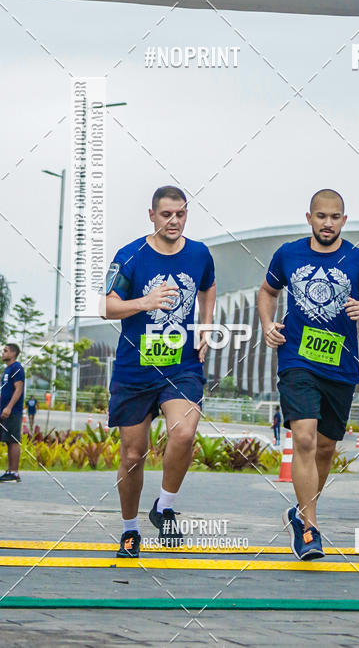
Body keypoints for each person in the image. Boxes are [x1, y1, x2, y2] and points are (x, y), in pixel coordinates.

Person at [258, 189, 359, 561]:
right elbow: (267, 291)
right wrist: (267, 323)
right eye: (321, 216)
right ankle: (309, 526)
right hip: (296, 361)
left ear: (344, 221)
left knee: (324, 447)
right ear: (309, 218)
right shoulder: (288, 254)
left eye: (335, 217)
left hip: (340, 367)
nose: (327, 223)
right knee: (303, 438)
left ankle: (301, 512)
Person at [103, 185, 216, 558]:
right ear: (152, 215)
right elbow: (106, 306)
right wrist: (145, 301)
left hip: (181, 366)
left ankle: (164, 506)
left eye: (180, 214)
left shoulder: (199, 254)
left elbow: (208, 287)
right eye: (166, 214)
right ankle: (130, 529)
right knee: (133, 454)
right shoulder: (131, 255)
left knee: (183, 432)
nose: (174, 221)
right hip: (135, 369)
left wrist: (205, 325)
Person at [0, 343, 25, 483]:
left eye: (5, 351)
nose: (2, 353)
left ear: (13, 353)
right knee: (8, 441)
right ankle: (9, 471)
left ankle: (14, 473)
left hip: (13, 411)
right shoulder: (8, 369)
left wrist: (9, 407)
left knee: (13, 440)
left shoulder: (17, 368)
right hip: (3, 411)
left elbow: (18, 389)